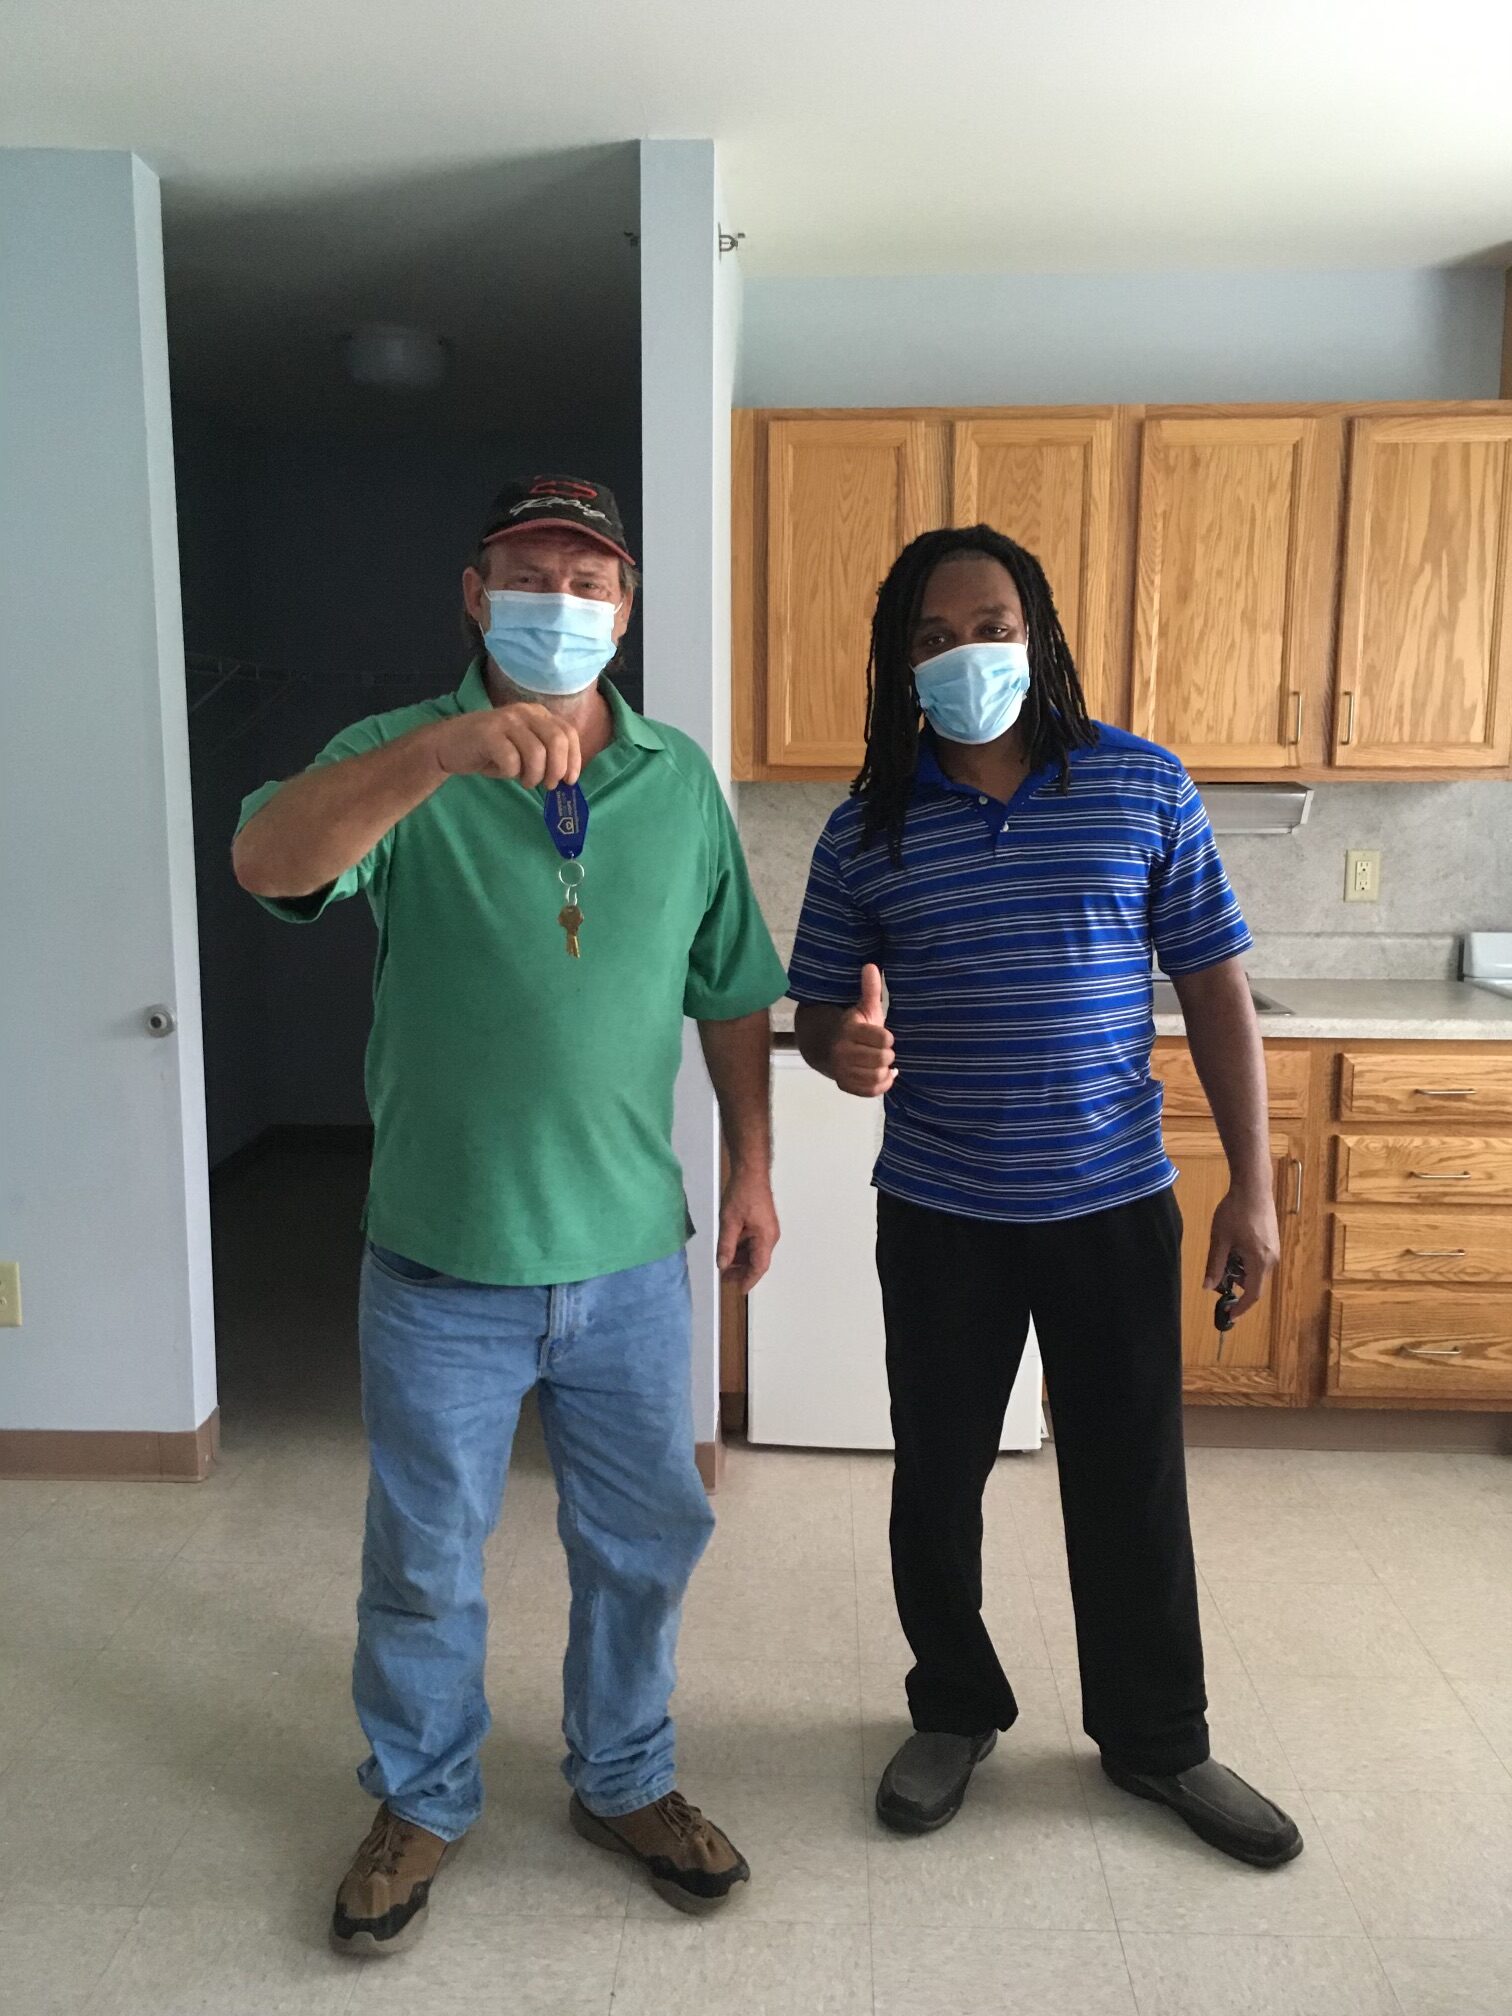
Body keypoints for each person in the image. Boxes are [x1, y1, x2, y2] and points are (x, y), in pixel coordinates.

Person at [233, 476, 788, 1954]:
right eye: (534, 573)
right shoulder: (393, 763)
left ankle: (623, 1777)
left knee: (647, 1538)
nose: (565, 599)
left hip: (627, 1259)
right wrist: (442, 753)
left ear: (628, 610)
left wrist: (750, 1164)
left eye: (593, 579)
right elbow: (268, 864)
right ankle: (421, 1795)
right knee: (424, 1553)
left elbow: (731, 985)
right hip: (439, 1261)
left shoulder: (677, 781)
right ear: (476, 596)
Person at [788, 524, 1302, 1868]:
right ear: (903, 663)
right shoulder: (867, 824)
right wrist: (839, 1045)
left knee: (1131, 1480)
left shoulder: (1139, 784)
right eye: (934, 636)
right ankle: (953, 1709)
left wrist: (1255, 1188)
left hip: (1112, 1201)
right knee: (937, 1477)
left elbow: (1215, 989)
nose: (968, 653)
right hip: (945, 1208)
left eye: (991, 623)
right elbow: (821, 1004)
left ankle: (1159, 1740)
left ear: (1040, 633)